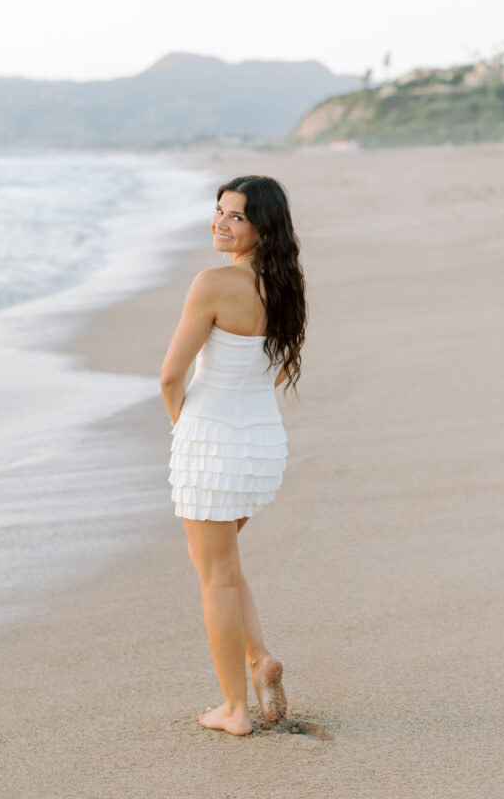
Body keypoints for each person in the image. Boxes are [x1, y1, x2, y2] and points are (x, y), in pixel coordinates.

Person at [160, 174, 307, 736]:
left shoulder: (214, 283)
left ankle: (235, 710)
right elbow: (276, 372)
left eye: (236, 216)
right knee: (218, 565)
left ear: (262, 225)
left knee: (215, 576)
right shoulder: (285, 286)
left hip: (215, 442)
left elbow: (172, 375)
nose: (220, 222)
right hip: (262, 446)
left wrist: (188, 432)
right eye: (219, 210)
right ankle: (259, 658)